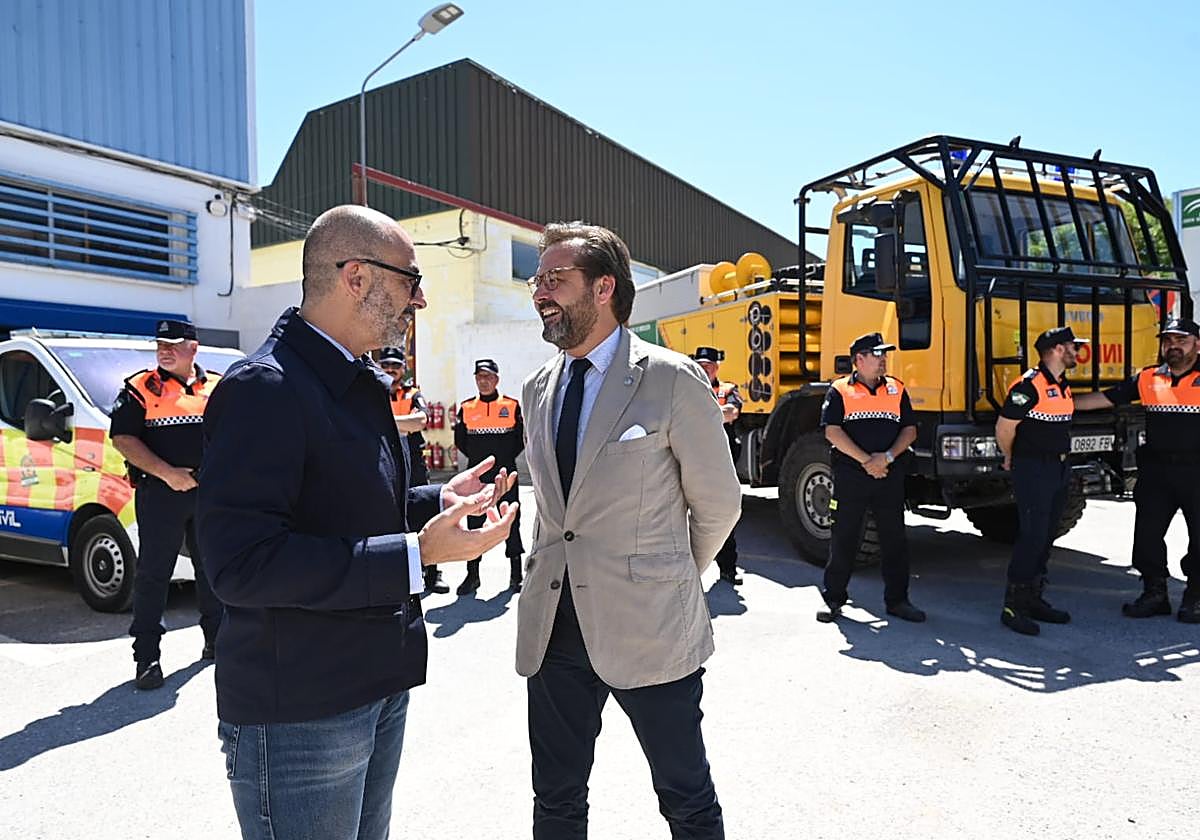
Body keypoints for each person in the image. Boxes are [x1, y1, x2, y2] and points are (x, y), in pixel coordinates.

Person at [196, 205, 518, 840]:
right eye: (410, 280)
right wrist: (416, 554)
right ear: (356, 278)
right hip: (301, 716)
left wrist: (438, 501)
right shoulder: (267, 388)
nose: (419, 300)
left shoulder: (352, 380)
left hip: (373, 686)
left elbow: (351, 509)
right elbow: (241, 564)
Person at [519, 221, 741, 839]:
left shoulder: (670, 378)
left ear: (603, 288)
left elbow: (718, 503)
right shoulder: (538, 386)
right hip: (555, 630)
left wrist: (666, 575)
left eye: (555, 280)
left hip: (652, 629)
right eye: (538, 280)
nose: (540, 292)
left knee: (685, 795)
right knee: (556, 798)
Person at [110, 318, 224, 691]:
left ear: (194, 348)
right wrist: (167, 473)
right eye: (160, 344)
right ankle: (147, 658)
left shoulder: (218, 386)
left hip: (207, 492)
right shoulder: (140, 387)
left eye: (173, 344)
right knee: (154, 574)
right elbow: (124, 438)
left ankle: (216, 641)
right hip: (160, 493)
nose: (164, 350)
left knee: (211, 570)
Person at [1075, 316, 1200, 623]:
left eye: (1181, 341)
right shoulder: (1148, 378)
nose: (1173, 347)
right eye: (1168, 341)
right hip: (1157, 470)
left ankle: (1195, 597)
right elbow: (1106, 398)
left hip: (1196, 470)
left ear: (1197, 344)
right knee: (1147, 534)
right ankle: (1154, 593)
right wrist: (1058, 404)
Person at [818, 332, 924, 623]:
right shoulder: (839, 390)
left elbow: (910, 430)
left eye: (884, 355)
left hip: (888, 474)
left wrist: (886, 458)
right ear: (859, 359)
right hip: (852, 475)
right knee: (844, 537)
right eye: (877, 355)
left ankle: (898, 601)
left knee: (895, 539)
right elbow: (832, 432)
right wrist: (867, 461)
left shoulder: (896, 389)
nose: (883, 360)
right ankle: (834, 599)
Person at [994, 325, 1085, 636]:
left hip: (1058, 469)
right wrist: (1009, 457)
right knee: (1032, 535)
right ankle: (1013, 605)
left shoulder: (1061, 384)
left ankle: (1034, 598)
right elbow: (1005, 428)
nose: (1077, 352)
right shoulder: (1028, 386)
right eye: (1073, 346)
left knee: (1046, 536)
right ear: (1058, 350)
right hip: (1033, 469)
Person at [453, 358, 526, 594]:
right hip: (478, 478)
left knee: (511, 521)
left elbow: (520, 439)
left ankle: (517, 575)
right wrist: (479, 464)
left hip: (505, 476)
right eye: (479, 377)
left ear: (496, 379)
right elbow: (460, 441)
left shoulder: (512, 406)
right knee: (473, 523)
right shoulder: (466, 408)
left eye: (488, 377)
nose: (483, 381)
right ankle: (472, 575)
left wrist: (504, 461)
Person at [379, 346, 447, 594]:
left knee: (425, 513)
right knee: (391, 517)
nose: (390, 370)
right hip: (386, 462)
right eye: (385, 366)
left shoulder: (413, 394)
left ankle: (433, 572)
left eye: (395, 366)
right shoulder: (374, 392)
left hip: (414, 464)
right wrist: (402, 425)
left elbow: (421, 421)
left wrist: (385, 423)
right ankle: (405, 571)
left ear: (403, 369)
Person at [691, 346, 745, 585]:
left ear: (717, 367)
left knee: (723, 514)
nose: (705, 368)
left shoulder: (727, 389)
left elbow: (732, 413)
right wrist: (715, 413)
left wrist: (698, 414)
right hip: (691, 459)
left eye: (709, 364)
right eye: (701, 364)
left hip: (721, 461)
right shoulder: (687, 386)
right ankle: (689, 571)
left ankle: (728, 569)